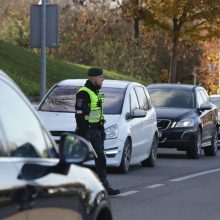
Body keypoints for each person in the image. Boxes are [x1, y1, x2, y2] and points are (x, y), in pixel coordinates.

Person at [75, 67, 120, 196]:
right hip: (87, 131)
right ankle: (75, 187)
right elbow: (79, 114)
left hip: (97, 131)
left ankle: (103, 186)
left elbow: (97, 113)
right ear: (94, 78)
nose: (103, 79)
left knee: (100, 159)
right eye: (101, 77)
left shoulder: (95, 92)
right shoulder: (84, 93)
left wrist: (101, 129)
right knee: (80, 160)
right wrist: (85, 132)